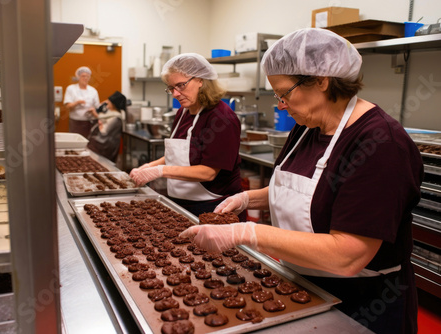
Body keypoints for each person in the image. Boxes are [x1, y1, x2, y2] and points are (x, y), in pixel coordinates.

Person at [180, 28, 423, 333]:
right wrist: (249, 198)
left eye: (285, 93)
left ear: (321, 79)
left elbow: (348, 255)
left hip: (363, 304)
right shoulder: (308, 125)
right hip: (302, 285)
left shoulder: (380, 145)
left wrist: (247, 233)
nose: (281, 105)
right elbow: (308, 189)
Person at [129, 53, 245, 219]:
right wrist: (149, 166)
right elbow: (179, 156)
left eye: (181, 85)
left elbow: (208, 172)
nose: (175, 94)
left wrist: (160, 171)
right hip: (183, 203)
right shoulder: (183, 112)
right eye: (171, 88)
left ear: (201, 80)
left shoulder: (221, 118)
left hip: (215, 208)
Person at [87, 91, 127, 162]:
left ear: (114, 104)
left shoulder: (116, 118)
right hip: (105, 144)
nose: (107, 104)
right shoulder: (111, 113)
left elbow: (104, 132)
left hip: (106, 147)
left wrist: (100, 126)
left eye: (109, 102)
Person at [63, 66, 100, 138]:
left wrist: (93, 111)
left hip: (89, 122)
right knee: (74, 141)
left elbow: (97, 107)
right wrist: (77, 103)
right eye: (83, 76)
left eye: (87, 76)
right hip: (75, 122)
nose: (85, 78)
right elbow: (67, 106)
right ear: (78, 77)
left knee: (88, 142)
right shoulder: (71, 88)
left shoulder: (93, 91)